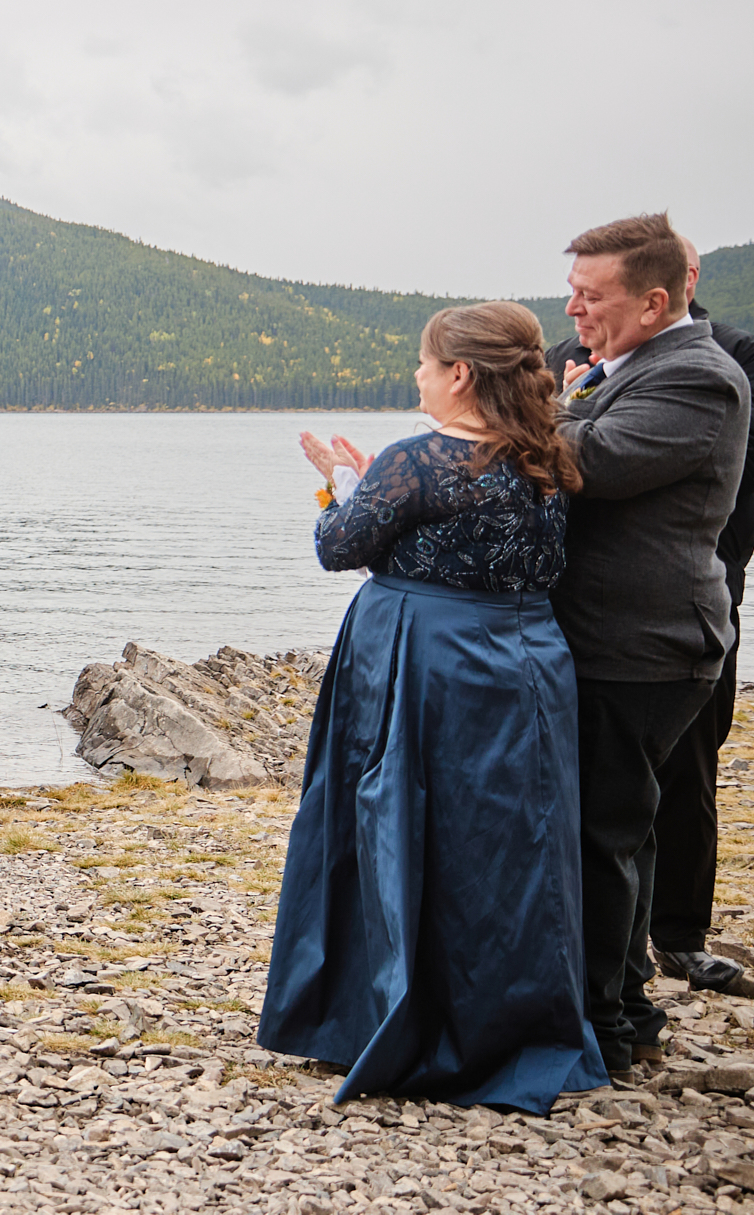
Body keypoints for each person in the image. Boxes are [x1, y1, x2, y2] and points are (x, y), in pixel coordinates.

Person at [258, 301, 610, 1112]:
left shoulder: (418, 459)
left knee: (398, 822)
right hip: (527, 657)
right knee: (508, 844)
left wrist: (341, 476)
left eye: (424, 361)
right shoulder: (546, 454)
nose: (416, 374)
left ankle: (384, 1013)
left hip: (424, 658)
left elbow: (337, 545)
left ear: (458, 373)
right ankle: (511, 1020)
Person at [545, 214, 753, 1075]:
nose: (574, 308)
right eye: (574, 290)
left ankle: (600, 1026)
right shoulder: (631, 365)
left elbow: (583, 460)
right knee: (621, 830)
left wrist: (479, 417)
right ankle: (626, 1002)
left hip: (645, 645)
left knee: (603, 835)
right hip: (624, 639)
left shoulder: (699, 379)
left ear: (656, 300)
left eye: (591, 296)